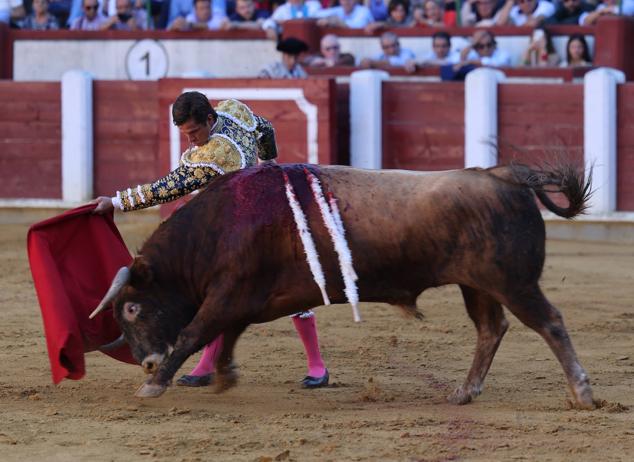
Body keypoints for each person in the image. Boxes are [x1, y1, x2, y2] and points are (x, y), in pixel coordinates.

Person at [92, 91, 330, 389]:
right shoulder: (234, 110)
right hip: (247, 215)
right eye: (185, 134)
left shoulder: (216, 153)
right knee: (215, 292)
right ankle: (206, 365)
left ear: (209, 118)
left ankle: (317, 365)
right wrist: (269, 162)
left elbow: (169, 188)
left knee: (287, 288)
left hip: (248, 228)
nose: (190, 140)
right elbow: (266, 128)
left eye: (194, 132)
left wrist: (117, 202)